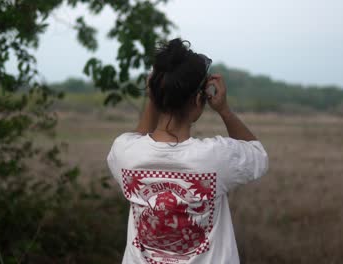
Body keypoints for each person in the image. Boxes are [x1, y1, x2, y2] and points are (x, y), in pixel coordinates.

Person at [107, 38, 269, 264]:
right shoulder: (216, 157)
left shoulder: (124, 152)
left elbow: (136, 138)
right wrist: (224, 111)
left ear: (153, 94)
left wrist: (154, 97)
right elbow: (258, 154)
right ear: (198, 100)